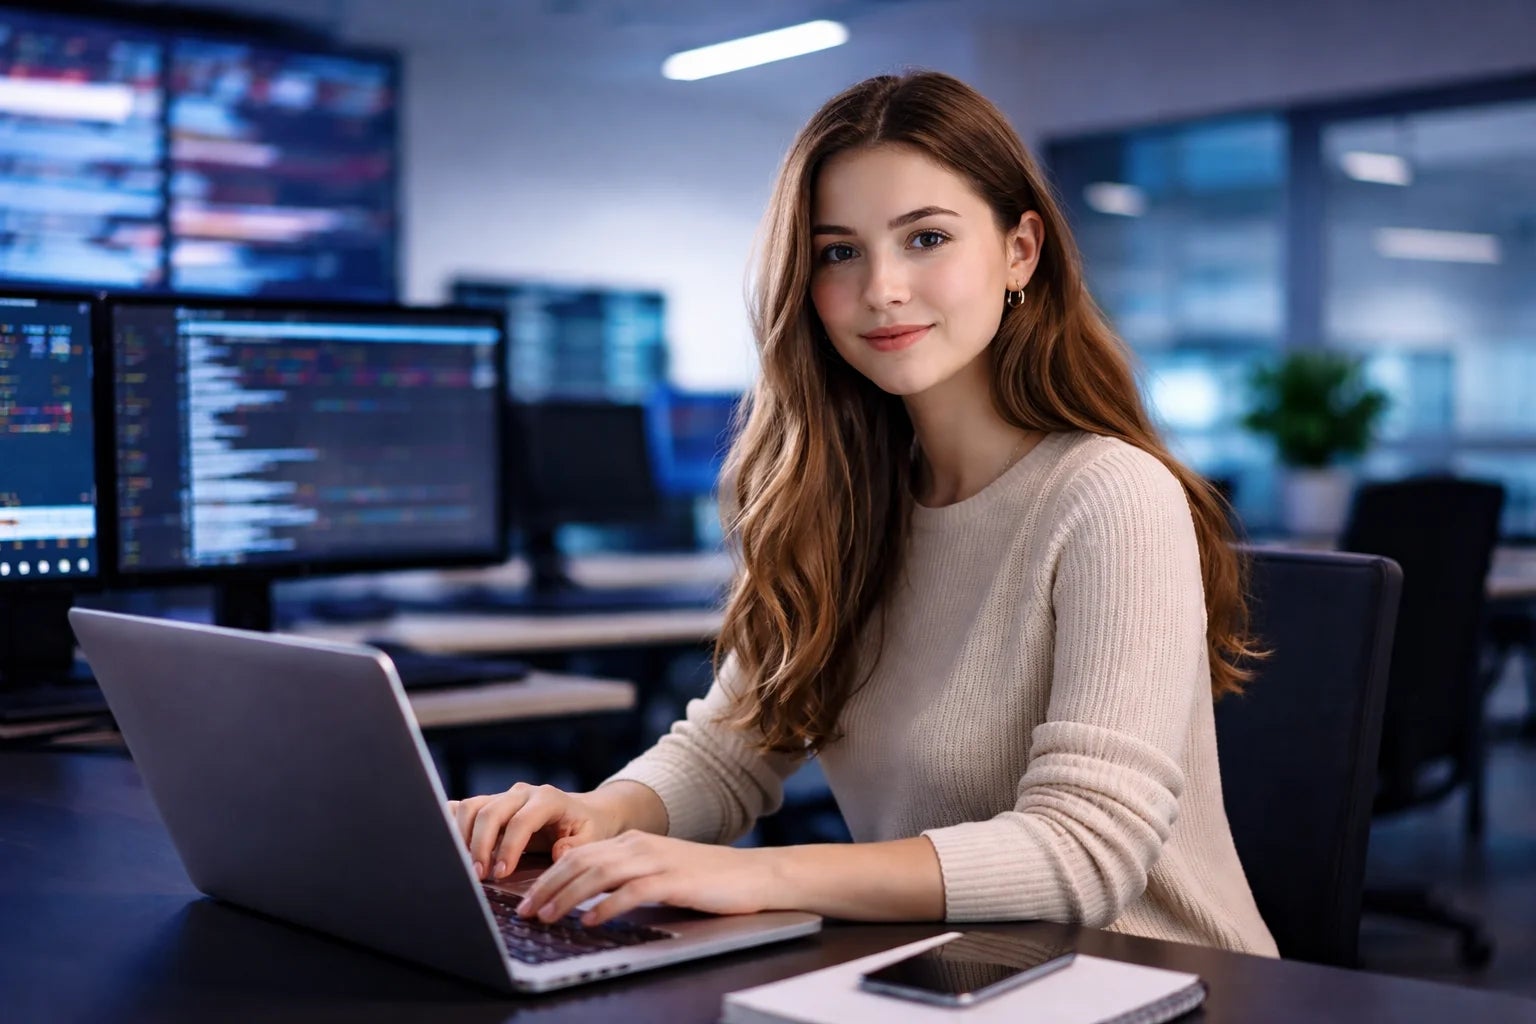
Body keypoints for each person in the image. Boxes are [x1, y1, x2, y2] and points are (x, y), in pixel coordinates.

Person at [449, 70, 1278, 956]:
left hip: (1153, 979)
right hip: (951, 974)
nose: (882, 287)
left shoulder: (1109, 494)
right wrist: (594, 815)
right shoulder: (841, 506)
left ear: (1020, 252)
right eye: (839, 251)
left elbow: (1086, 853)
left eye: (925, 238)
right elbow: (731, 751)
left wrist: (753, 874)